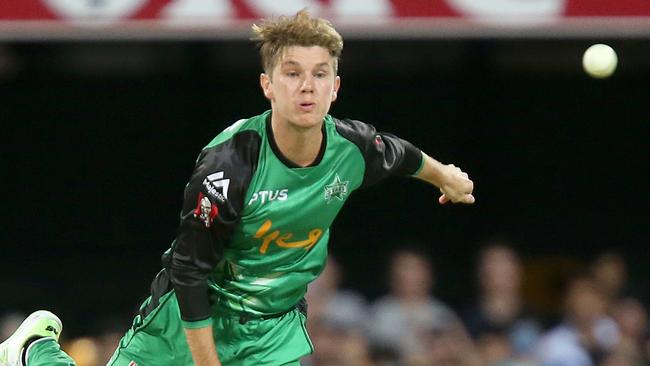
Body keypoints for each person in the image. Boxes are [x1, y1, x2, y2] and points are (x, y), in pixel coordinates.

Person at [0, 9, 475, 366]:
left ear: (336, 86)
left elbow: (401, 154)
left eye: (319, 74)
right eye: (292, 73)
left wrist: (447, 177)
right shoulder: (230, 164)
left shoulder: (353, 145)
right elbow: (189, 276)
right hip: (192, 319)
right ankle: (34, 351)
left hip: (274, 327)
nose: (306, 87)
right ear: (268, 85)